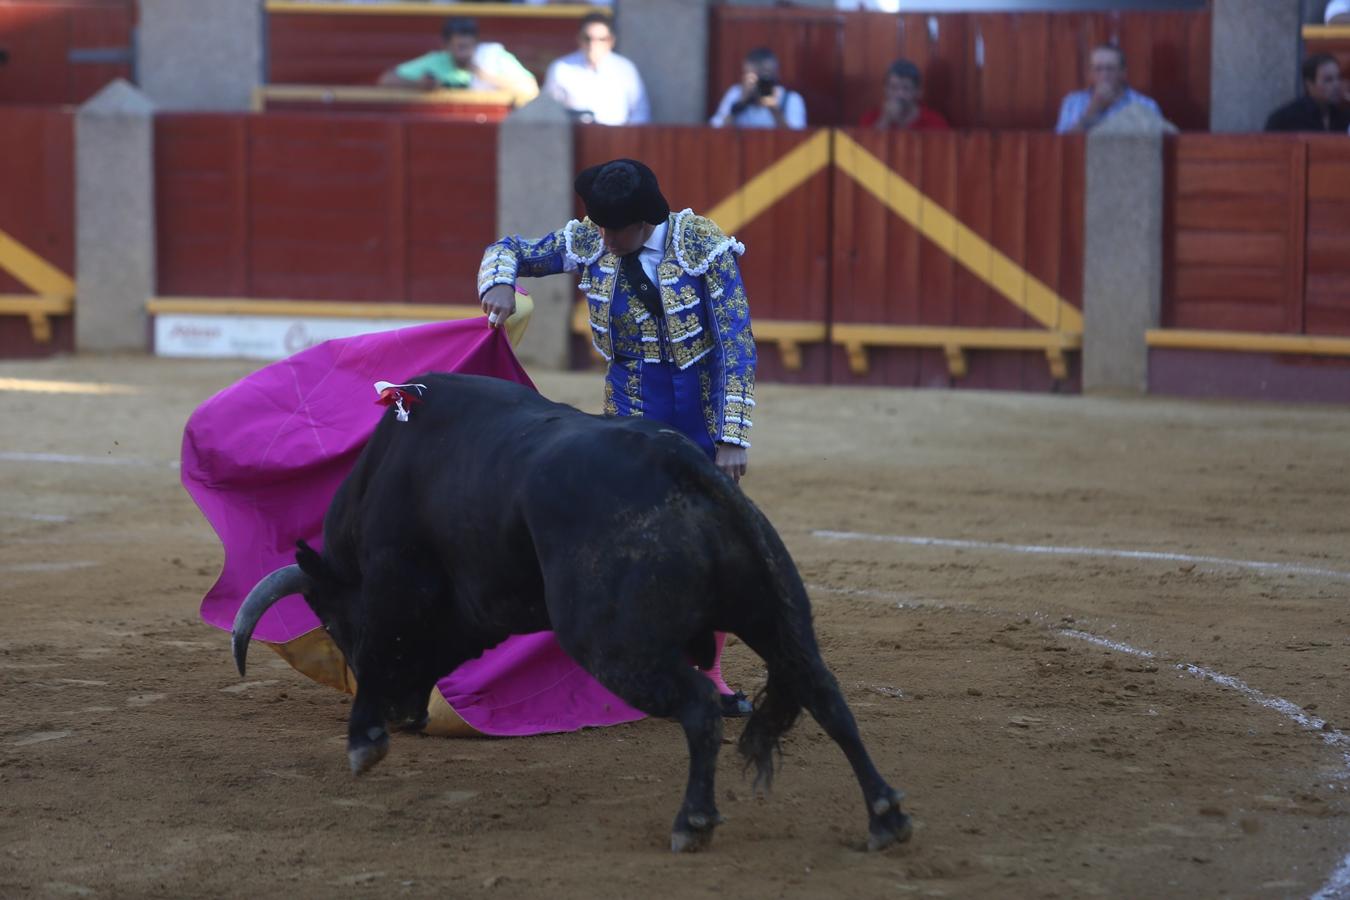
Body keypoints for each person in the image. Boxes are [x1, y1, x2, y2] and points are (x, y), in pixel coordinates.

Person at [477, 159, 756, 716]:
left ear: (643, 223)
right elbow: (507, 248)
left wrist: (732, 436)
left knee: (713, 538)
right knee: (628, 535)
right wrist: (502, 284)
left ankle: (712, 674)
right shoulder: (592, 238)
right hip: (631, 405)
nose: (600, 238)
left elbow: (735, 341)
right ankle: (641, 660)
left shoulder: (702, 246)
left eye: (611, 230)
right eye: (598, 228)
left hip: (698, 404)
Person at [377, 17, 539, 104]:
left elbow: (531, 89)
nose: (464, 53)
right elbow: (386, 80)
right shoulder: (436, 61)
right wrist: (418, 85)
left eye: (469, 46)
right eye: (459, 47)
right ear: (446, 46)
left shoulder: (493, 58)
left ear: (476, 43)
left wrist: (485, 76)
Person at [542, 13, 650, 125]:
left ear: (611, 41)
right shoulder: (561, 68)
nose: (593, 45)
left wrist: (627, 139)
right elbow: (549, 111)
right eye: (587, 38)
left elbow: (640, 112)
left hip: (617, 138)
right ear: (579, 39)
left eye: (601, 39)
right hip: (575, 138)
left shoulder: (625, 69)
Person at [1055, 44, 1161, 133]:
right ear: (1090, 73)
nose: (1104, 74)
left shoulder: (1146, 105)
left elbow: (1153, 145)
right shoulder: (1072, 102)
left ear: (1123, 72)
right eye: (1098, 69)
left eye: (1110, 68)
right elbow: (1063, 144)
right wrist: (1093, 110)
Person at [710, 47, 807, 130]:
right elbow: (716, 133)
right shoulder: (735, 94)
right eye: (753, 78)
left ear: (776, 75)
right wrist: (739, 105)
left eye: (764, 77)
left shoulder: (791, 99)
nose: (759, 84)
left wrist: (774, 109)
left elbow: (796, 138)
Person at [1265, 54, 1350, 133]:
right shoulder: (1285, 119)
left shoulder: (1343, 117)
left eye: (1338, 78)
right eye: (1328, 80)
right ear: (1310, 84)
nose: (1336, 85)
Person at [859, 59, 949, 131]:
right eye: (893, 88)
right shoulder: (870, 119)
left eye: (906, 88)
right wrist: (885, 120)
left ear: (918, 92)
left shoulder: (935, 122)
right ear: (885, 89)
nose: (899, 94)